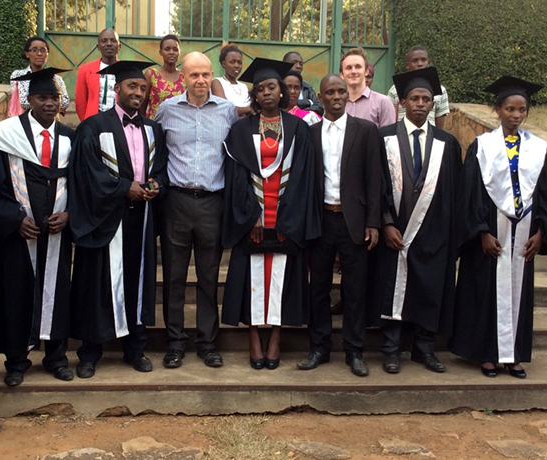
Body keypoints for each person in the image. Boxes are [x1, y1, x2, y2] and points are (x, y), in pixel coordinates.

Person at [449, 76, 547, 378]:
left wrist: (540, 232)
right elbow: (470, 196)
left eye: (521, 110)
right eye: (510, 108)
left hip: (523, 235)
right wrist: (481, 231)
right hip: (490, 235)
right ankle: (487, 354)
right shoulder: (482, 147)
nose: (516, 115)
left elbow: (546, 196)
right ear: (497, 110)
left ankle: (513, 355)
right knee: (484, 292)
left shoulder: (539, 150)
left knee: (518, 294)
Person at [69, 61, 169, 377]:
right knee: (97, 283)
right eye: (132, 87)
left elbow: (163, 168)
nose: (138, 92)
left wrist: (155, 185)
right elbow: (87, 174)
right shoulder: (93, 127)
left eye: (142, 88)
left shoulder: (154, 129)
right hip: (105, 218)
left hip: (142, 220)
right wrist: (125, 188)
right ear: (117, 90)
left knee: (137, 283)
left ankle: (135, 350)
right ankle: (89, 353)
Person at [221, 58, 321, 370]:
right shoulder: (240, 130)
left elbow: (305, 178)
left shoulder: (299, 130)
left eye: (271, 87)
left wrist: (286, 222)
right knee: (251, 276)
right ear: (255, 94)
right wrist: (250, 217)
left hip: (285, 220)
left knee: (282, 278)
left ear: (282, 92)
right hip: (251, 218)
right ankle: (253, 334)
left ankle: (275, 335)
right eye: (260, 88)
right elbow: (236, 179)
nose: (266, 92)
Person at [368, 67, 462, 374]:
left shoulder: (447, 145)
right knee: (390, 290)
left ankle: (424, 350)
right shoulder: (383, 139)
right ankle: (391, 351)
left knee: (429, 291)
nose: (420, 104)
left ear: (433, 104)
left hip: (432, 234)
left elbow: (453, 195)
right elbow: (376, 185)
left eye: (426, 99)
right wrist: (385, 223)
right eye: (414, 98)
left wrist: (445, 234)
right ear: (403, 102)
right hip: (393, 232)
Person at [0, 68, 76, 386]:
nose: (49, 103)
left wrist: (69, 216)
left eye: (54, 97)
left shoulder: (69, 138)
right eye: (42, 97)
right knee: (16, 293)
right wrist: (13, 218)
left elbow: (80, 186)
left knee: (57, 293)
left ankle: (56, 358)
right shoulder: (4, 135)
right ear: (29, 100)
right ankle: (16, 361)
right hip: (19, 234)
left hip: (56, 233)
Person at [154, 52, 238, 368]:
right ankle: (175, 343)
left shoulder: (228, 111)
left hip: (212, 203)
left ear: (211, 74)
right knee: (174, 278)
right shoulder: (167, 111)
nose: (200, 81)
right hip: (175, 202)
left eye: (205, 74)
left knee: (208, 277)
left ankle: (207, 344)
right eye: (194, 75)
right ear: (184, 78)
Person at [297, 74, 381, 377]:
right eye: (330, 92)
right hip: (321, 220)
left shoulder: (366, 131)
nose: (336, 96)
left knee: (354, 289)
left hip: (354, 222)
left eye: (341, 91)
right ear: (320, 97)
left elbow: (375, 180)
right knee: (317, 287)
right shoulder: (310, 132)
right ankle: (319, 347)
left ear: (348, 95)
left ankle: (354, 351)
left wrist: (373, 222)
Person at [387, 46, 450, 129]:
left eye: (423, 60)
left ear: (429, 62)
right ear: (407, 65)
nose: (420, 64)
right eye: (415, 61)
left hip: (429, 137)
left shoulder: (440, 90)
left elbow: (440, 124)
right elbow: (389, 117)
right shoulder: (394, 90)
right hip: (401, 135)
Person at [9, 36, 70, 117]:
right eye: (34, 50)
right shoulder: (18, 75)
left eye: (43, 50)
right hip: (25, 121)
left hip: (49, 122)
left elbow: (65, 102)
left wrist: (40, 103)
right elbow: (23, 102)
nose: (39, 53)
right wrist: (52, 104)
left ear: (47, 54)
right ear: (27, 54)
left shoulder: (56, 79)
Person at [340, 47, 395, 128]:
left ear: (366, 71)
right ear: (341, 74)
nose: (353, 71)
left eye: (358, 67)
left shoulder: (383, 102)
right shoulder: (337, 104)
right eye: (348, 68)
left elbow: (388, 138)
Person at [75, 28, 121, 121]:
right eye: (104, 41)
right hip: (94, 121)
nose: (109, 44)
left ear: (119, 46)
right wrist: (87, 123)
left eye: (113, 41)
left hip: (119, 121)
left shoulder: (126, 69)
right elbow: (80, 102)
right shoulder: (85, 70)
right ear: (98, 46)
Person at [141, 34, 185, 119]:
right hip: (154, 127)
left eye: (175, 49)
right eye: (167, 49)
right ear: (160, 52)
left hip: (177, 127)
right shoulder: (151, 74)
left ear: (179, 52)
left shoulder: (184, 77)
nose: (171, 52)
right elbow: (142, 106)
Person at [211, 44, 253, 117]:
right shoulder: (217, 82)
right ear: (223, 64)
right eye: (232, 62)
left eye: (239, 62)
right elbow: (224, 108)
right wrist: (249, 110)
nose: (236, 65)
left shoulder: (243, 86)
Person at [282, 51, 323, 116]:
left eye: (301, 64)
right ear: (284, 64)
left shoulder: (307, 87)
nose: (298, 66)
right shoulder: (279, 85)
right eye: (294, 63)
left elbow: (319, 107)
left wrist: (301, 113)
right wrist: (308, 102)